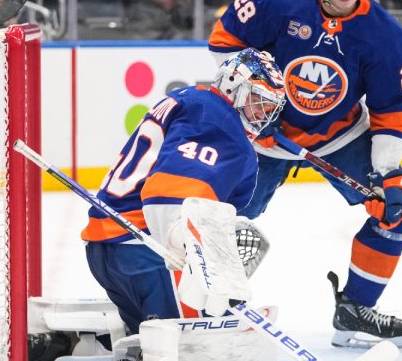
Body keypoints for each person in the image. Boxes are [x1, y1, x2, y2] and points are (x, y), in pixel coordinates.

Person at [208, 0, 402, 349]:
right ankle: (197, 305)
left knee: (400, 210)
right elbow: (224, 40)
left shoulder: (383, 34)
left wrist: (387, 174)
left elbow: (390, 111)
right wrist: (251, 102)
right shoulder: (282, 0)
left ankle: (355, 308)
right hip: (267, 137)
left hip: (340, 136)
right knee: (220, 217)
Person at [81, 48, 287, 335]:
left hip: (108, 249)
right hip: (148, 252)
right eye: (256, 100)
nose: (261, 113)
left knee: (148, 345)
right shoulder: (218, 121)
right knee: (191, 347)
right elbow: (167, 196)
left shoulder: (191, 100)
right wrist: (188, 250)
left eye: (269, 106)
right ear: (232, 84)